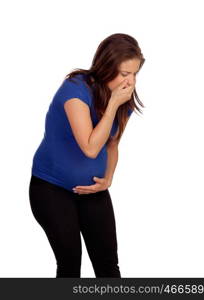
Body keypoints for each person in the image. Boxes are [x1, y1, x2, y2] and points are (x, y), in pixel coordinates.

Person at [28, 33, 146, 278]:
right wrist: (113, 104)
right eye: (125, 74)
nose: (131, 81)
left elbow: (112, 144)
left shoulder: (123, 98)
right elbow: (90, 147)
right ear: (106, 67)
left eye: (135, 74)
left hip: (92, 190)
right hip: (51, 189)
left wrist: (108, 179)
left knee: (108, 267)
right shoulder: (76, 89)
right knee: (70, 266)